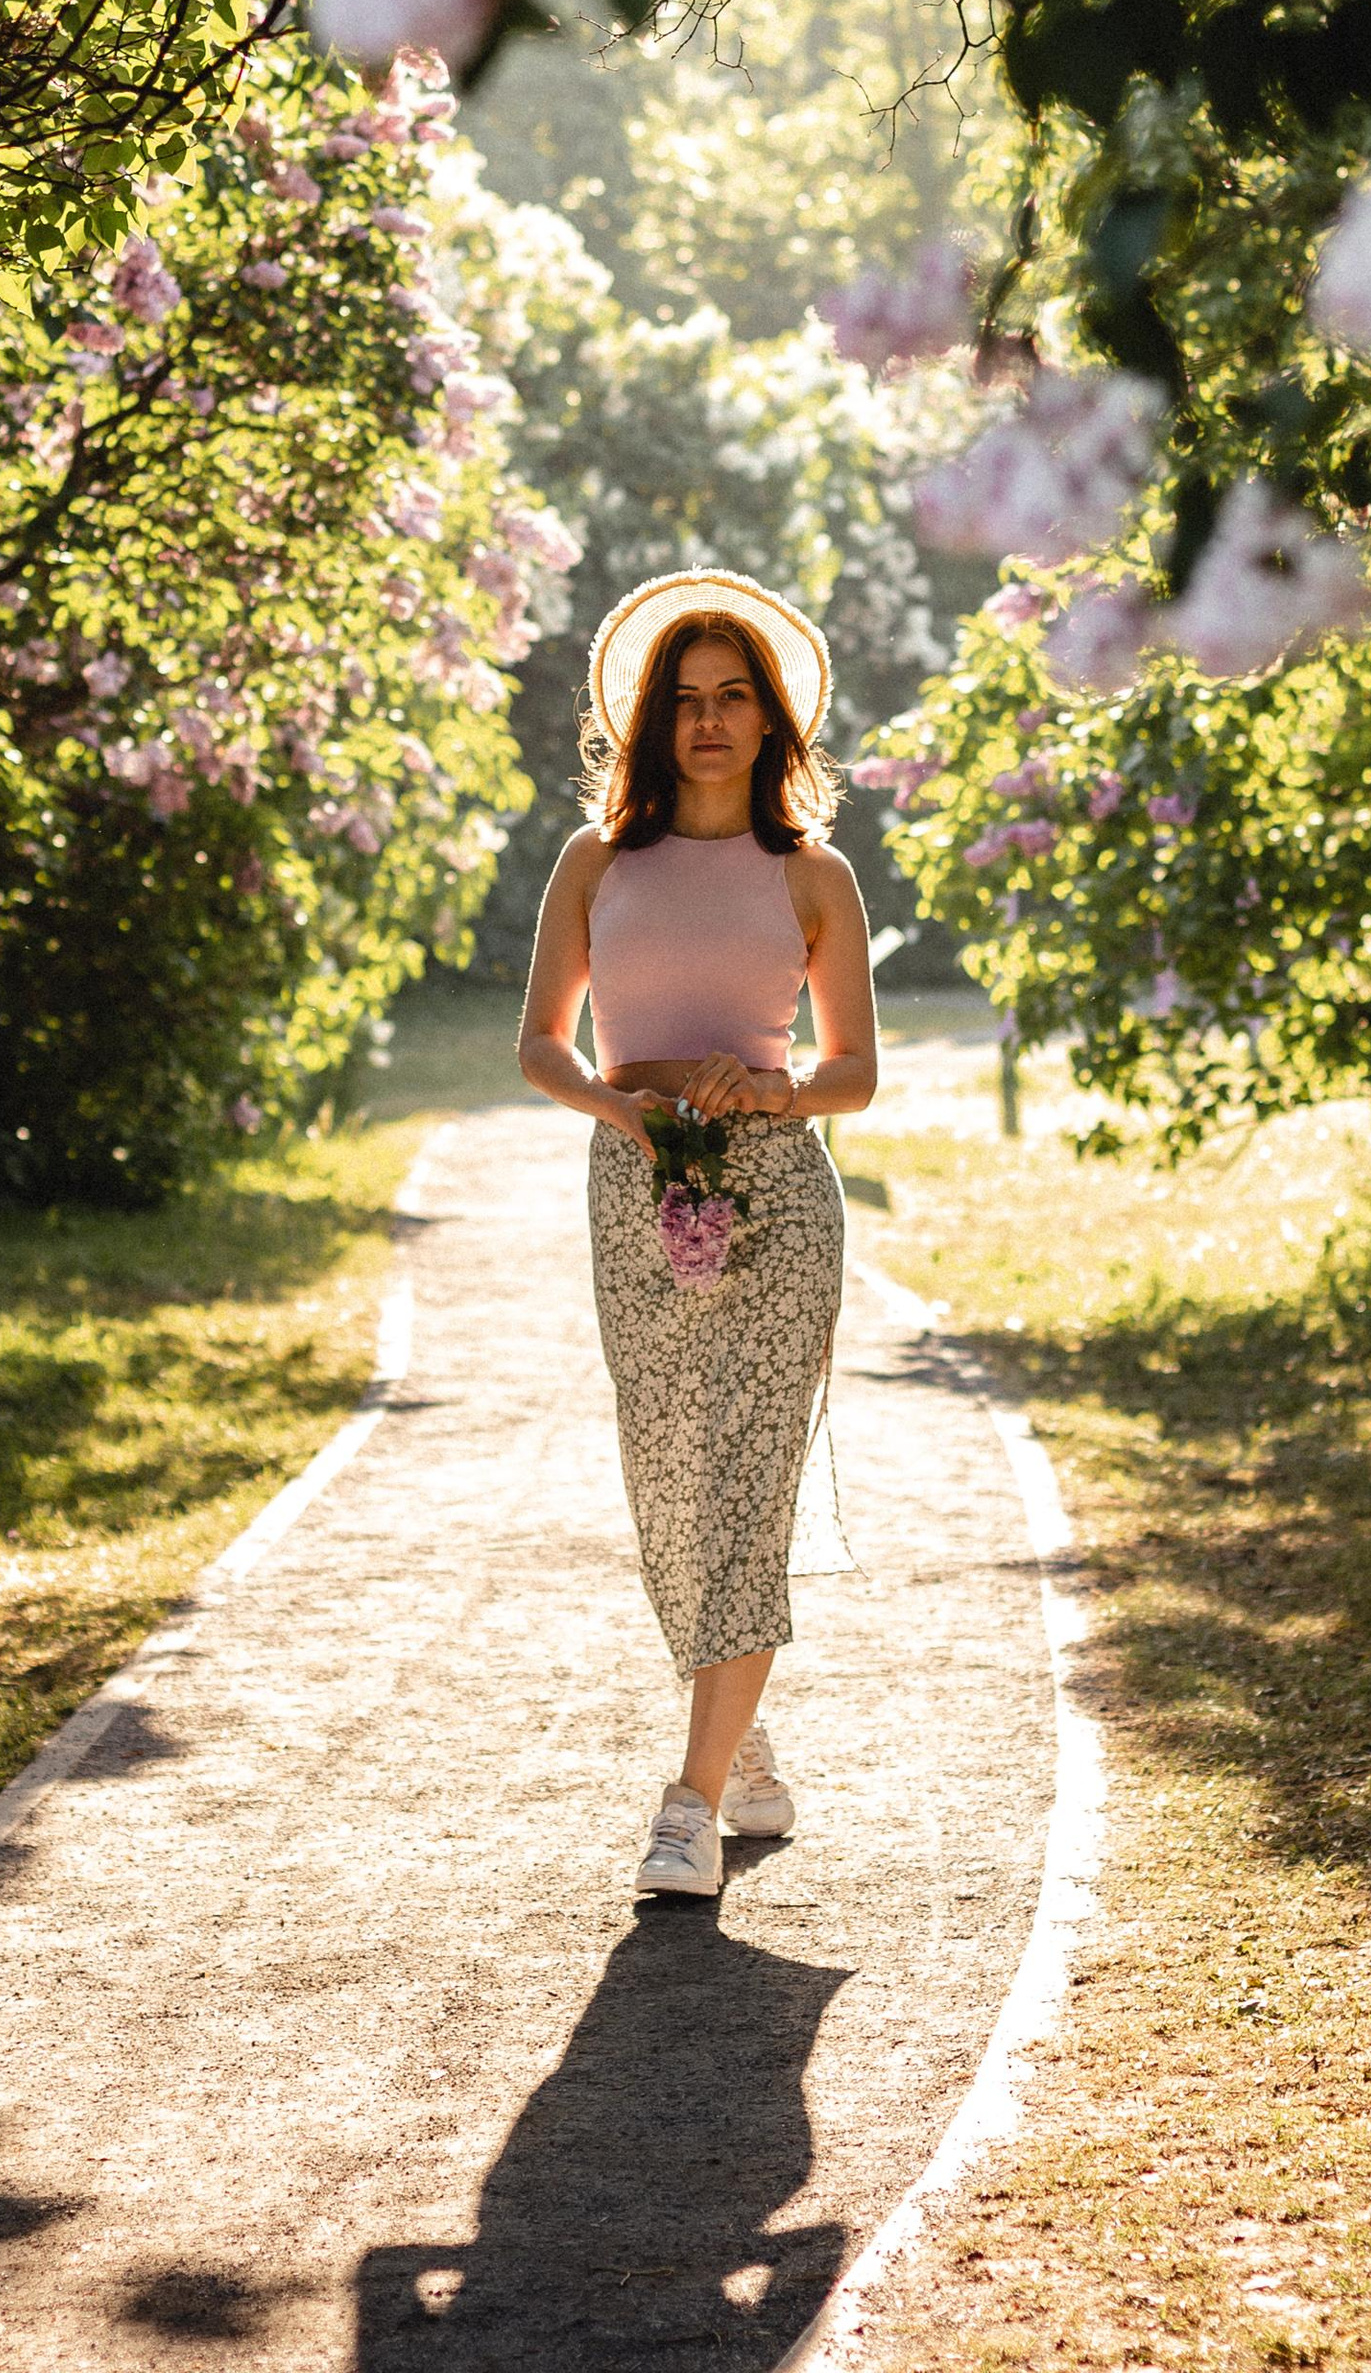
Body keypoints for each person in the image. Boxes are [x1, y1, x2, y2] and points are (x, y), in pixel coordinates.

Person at [518, 568, 878, 1901]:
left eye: (735, 698)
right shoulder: (596, 864)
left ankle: (689, 1804)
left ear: (772, 718)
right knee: (670, 1490)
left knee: (749, 1492)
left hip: (781, 1201)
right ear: (651, 724)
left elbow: (853, 1072)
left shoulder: (812, 875)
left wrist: (769, 1092)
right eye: (686, 701)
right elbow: (539, 1046)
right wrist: (623, 1110)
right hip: (635, 1190)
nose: (711, 722)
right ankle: (746, 1745)